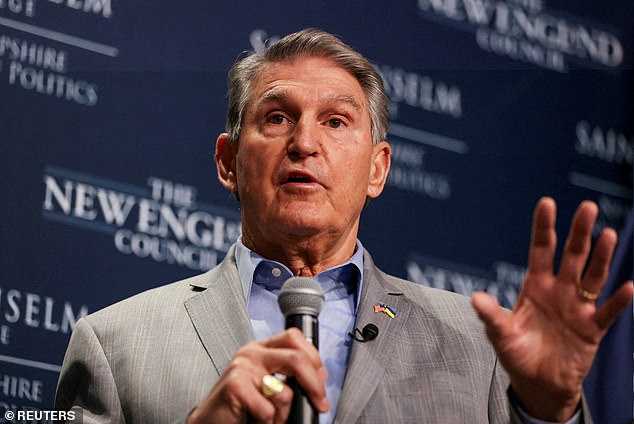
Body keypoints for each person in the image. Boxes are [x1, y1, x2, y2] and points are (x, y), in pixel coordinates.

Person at [55, 28, 633, 424]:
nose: (305, 143)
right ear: (228, 162)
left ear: (377, 169)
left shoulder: (485, 348)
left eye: (336, 121)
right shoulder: (115, 343)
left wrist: (549, 410)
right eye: (277, 117)